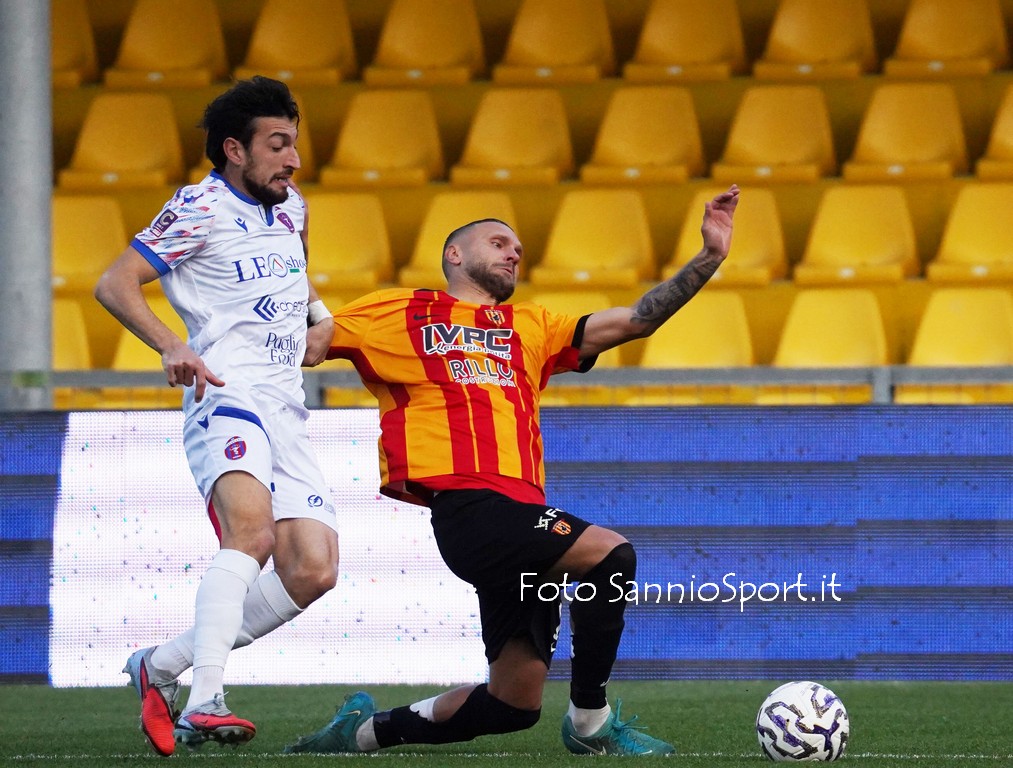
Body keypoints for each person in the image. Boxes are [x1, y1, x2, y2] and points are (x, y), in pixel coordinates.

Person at [285, 185, 739, 756]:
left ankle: (360, 732)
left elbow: (637, 320)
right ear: (454, 254)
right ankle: (591, 723)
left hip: (522, 513)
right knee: (611, 554)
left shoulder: (533, 325)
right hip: (469, 508)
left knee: (512, 705)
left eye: (518, 248)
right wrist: (290, 255)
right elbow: (310, 345)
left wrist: (709, 257)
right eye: (499, 242)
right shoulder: (397, 312)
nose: (513, 252)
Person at [94, 76, 340, 756]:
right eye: (277, 145)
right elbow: (114, 282)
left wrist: (321, 317)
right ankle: (206, 700)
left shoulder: (292, 207)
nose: (293, 160)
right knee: (251, 536)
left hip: (285, 406)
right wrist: (171, 344)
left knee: (313, 570)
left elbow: (293, 275)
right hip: (226, 394)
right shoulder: (198, 207)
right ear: (235, 149)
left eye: (294, 144)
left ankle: (160, 665)